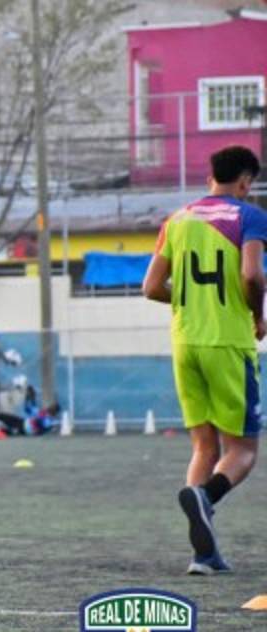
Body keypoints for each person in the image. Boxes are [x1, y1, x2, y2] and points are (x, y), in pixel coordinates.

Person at [142, 145, 267, 575]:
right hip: (228, 343)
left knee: (203, 446)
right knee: (244, 450)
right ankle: (206, 497)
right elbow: (252, 274)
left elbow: (151, 287)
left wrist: (189, 304)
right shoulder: (249, 217)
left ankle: (204, 555)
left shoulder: (176, 220)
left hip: (184, 343)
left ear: (210, 174)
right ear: (246, 181)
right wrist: (258, 314)